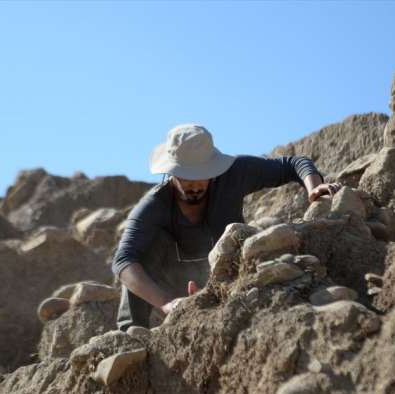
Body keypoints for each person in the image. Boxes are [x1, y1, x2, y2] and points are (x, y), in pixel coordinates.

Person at [111, 123, 341, 330]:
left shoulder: (233, 175)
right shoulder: (154, 205)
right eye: (185, 177)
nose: (195, 184)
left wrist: (314, 188)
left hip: (224, 275)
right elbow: (123, 261)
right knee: (142, 253)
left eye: (202, 175)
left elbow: (294, 163)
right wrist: (167, 302)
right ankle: (131, 335)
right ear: (171, 173)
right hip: (169, 286)